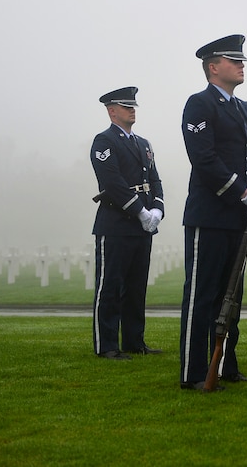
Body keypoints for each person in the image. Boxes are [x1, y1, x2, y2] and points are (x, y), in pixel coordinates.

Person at [179, 34, 247, 390]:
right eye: (234, 61)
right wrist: (241, 189)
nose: (241, 64)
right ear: (213, 67)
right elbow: (203, 158)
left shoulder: (245, 109)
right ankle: (193, 370)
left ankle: (226, 364)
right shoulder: (199, 104)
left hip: (238, 216)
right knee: (202, 295)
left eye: (242, 60)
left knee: (232, 296)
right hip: (209, 213)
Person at [90, 86, 165, 360]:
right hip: (116, 224)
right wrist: (140, 211)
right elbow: (113, 183)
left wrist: (157, 209)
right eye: (125, 106)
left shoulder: (143, 143)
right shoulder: (104, 141)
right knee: (110, 286)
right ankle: (106, 345)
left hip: (142, 226)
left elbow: (154, 180)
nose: (131, 109)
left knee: (136, 287)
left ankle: (135, 341)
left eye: (132, 105)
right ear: (111, 111)